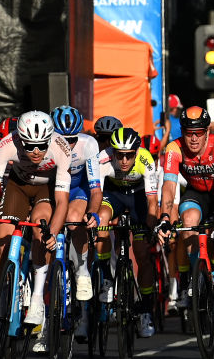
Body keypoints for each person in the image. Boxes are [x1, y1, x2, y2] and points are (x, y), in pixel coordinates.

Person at [156, 105, 214, 343]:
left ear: (208, 130)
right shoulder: (174, 149)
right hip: (196, 195)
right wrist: (165, 218)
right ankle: (196, 276)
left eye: (199, 131)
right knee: (187, 221)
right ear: (183, 131)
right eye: (189, 132)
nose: (194, 137)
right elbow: (169, 188)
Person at [0, 110, 72, 332]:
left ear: (49, 139)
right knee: (3, 241)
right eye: (29, 146)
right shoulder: (7, 144)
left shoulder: (60, 147)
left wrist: (53, 234)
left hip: (46, 188)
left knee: (41, 230)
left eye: (41, 145)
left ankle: (37, 298)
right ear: (20, 139)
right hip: (17, 186)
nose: (36, 151)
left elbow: (62, 200)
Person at [96, 126, 159, 338]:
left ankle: (145, 311)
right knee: (102, 217)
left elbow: (152, 201)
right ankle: (106, 279)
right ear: (113, 152)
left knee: (142, 254)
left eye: (129, 155)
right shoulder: (103, 158)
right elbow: (95, 193)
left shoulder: (145, 159)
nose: (123, 160)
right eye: (120, 155)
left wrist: (150, 227)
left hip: (138, 197)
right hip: (113, 193)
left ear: (136, 152)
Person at [50, 105, 102, 304]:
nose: (67, 145)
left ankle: (82, 270)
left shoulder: (88, 144)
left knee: (74, 220)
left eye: (72, 140)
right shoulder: (44, 144)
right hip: (53, 189)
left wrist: (93, 213)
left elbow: (95, 189)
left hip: (78, 190)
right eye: (62, 139)